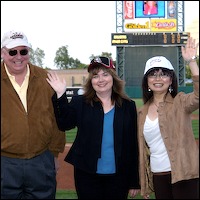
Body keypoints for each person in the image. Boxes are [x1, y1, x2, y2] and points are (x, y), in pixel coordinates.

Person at [46, 56, 141, 199]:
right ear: (91, 80)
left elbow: (132, 145)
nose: (100, 79)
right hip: (87, 174)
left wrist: (134, 181)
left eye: (105, 74)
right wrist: (60, 95)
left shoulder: (128, 106)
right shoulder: (81, 102)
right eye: (95, 76)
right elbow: (64, 124)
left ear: (113, 77)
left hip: (118, 176)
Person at [1, 30, 66, 199]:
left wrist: (54, 153)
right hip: (5, 161)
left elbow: (56, 119)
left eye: (23, 51)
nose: (19, 56)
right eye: (12, 52)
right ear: (2, 52)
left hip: (41, 160)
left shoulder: (46, 78)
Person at [138, 37, 199, 199]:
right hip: (158, 176)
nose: (158, 78)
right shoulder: (141, 112)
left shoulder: (180, 101)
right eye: (153, 74)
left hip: (184, 174)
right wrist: (144, 182)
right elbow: (142, 151)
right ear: (147, 81)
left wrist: (191, 62)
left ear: (171, 80)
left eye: (164, 74)